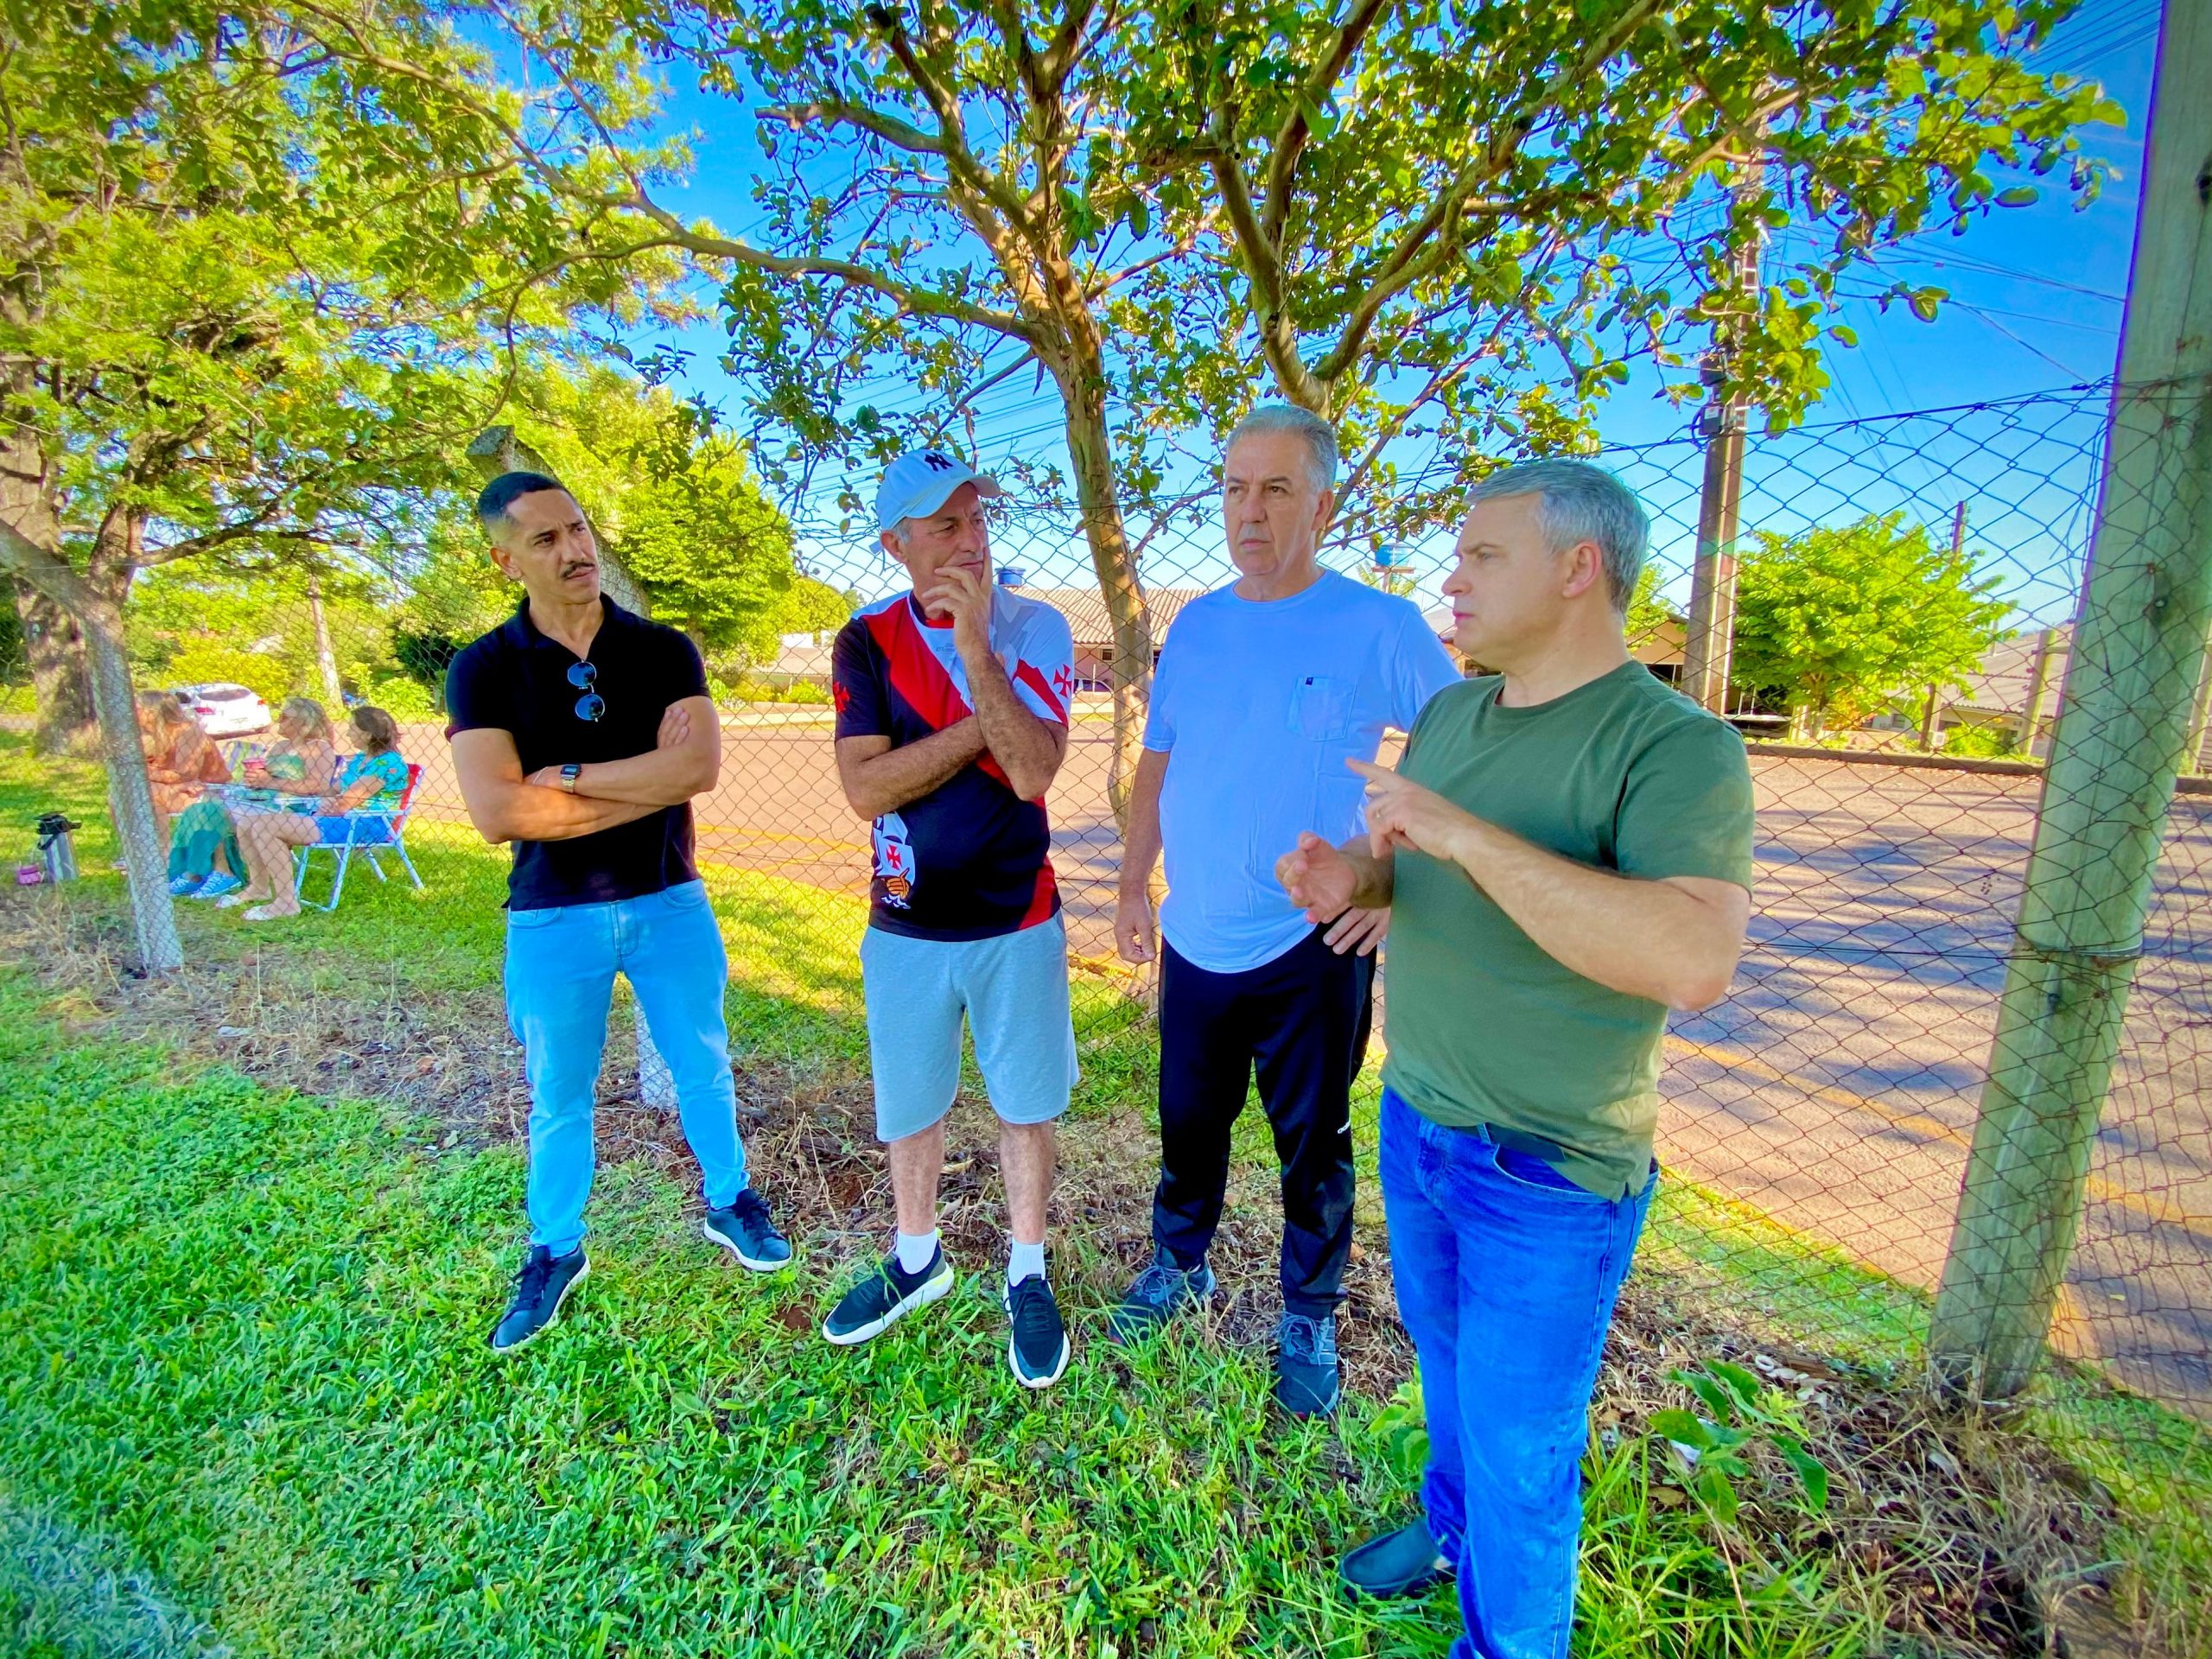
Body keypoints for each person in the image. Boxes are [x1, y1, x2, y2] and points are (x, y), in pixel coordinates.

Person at [1276, 461, 1755, 1659]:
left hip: (1549, 1168)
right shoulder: (1451, 717)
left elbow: (1692, 959)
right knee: (1445, 1370)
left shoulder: (1674, 746)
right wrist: (1356, 878)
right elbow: (1417, 874)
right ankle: (1451, 1534)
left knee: (1521, 1451)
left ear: (1578, 568)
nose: (1453, 580)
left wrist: (1457, 831)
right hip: (1419, 1119)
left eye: (1483, 555)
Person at [1109, 404, 1461, 1416]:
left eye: (1275, 489)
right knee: (1189, 1122)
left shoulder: (1379, 625)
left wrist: (1388, 875)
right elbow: (1159, 760)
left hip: (1312, 944)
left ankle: (1307, 1310)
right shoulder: (1197, 626)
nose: (1249, 511)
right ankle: (1180, 1262)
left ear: (1323, 506)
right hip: (1196, 937)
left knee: (1313, 1142)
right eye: (1233, 488)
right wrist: (1132, 884)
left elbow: (1461, 752)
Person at [445, 470, 791, 1355]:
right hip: (552, 916)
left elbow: (697, 770)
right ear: (505, 561)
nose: (574, 551)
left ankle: (729, 1202)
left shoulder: (663, 649)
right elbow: (497, 812)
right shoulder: (482, 668)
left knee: (703, 1065)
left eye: (579, 529)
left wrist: (564, 779)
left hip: (669, 899)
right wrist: (646, 780)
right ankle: (556, 1249)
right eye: (545, 539)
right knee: (559, 1094)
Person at [821, 448, 1079, 1390]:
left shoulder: (1036, 627)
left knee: (1025, 1105)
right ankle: (916, 1258)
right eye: (945, 526)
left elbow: (1034, 772)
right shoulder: (866, 641)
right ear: (897, 545)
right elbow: (865, 788)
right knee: (912, 1106)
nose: (971, 540)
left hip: (1018, 919)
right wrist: (985, 725)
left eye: (977, 519)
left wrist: (976, 651)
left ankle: (1027, 1269)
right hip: (905, 926)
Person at [224, 704, 412, 922]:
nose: (348, 733)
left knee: (269, 827)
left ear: (368, 734)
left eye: (352, 728)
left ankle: (286, 903)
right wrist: (327, 800)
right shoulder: (361, 759)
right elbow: (333, 791)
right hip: (338, 819)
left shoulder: (388, 763)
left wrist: (331, 803)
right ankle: (259, 887)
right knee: (247, 823)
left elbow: (347, 802)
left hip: (364, 824)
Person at [183, 697, 340, 905]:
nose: (278, 720)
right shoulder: (280, 747)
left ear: (303, 721)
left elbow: (317, 786)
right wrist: (255, 780)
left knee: (216, 811)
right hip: (260, 801)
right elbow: (268, 779)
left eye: (284, 717)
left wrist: (269, 782)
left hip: (291, 807)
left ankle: (224, 874)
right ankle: (199, 873)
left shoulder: (319, 747)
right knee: (204, 807)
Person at [135, 693, 232, 884]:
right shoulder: (149, 734)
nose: (132, 713)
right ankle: (146, 852)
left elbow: (185, 774)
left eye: (137, 708)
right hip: (174, 789)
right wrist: (148, 774)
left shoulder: (188, 732)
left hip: (207, 790)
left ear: (152, 713)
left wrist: (144, 772)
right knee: (124, 796)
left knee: (147, 794)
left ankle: (163, 855)